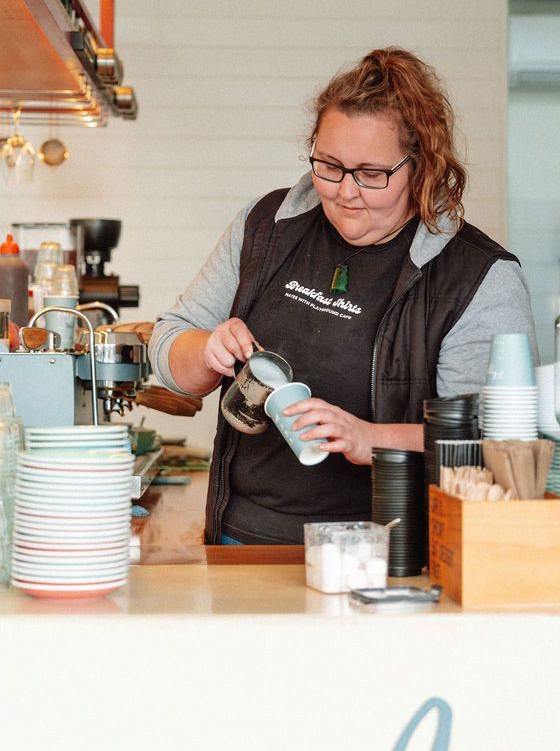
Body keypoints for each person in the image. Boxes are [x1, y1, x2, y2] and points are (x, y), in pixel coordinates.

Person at [149, 47, 537, 545]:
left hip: (388, 556)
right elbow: (170, 347)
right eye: (329, 165)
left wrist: (371, 438)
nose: (345, 191)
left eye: (372, 174)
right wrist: (204, 350)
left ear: (420, 167)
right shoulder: (267, 226)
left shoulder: (477, 277)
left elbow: (495, 441)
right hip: (241, 540)